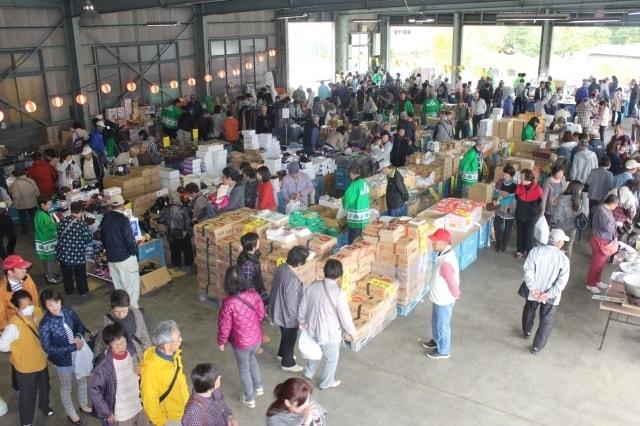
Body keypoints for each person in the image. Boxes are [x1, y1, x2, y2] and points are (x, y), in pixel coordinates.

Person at [298, 259, 356, 390]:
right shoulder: (339, 294)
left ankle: (309, 372)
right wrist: (352, 333)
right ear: (339, 276)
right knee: (331, 359)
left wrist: (301, 322)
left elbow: (302, 307)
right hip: (330, 334)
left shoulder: (313, 286)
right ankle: (326, 382)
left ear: (324, 272)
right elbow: (345, 318)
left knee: (314, 350)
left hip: (312, 328)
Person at [0, 290, 53, 426]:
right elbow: (2, 345)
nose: (29, 308)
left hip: (41, 360)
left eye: (30, 304)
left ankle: (44, 406)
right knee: (27, 396)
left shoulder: (37, 311)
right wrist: (19, 349)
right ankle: (27, 422)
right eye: (24, 307)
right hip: (25, 367)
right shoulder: (13, 325)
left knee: (45, 386)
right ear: (17, 309)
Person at [38, 288, 90, 425]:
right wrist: (72, 347)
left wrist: (78, 336)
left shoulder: (68, 311)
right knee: (66, 388)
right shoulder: (45, 324)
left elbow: (79, 325)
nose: (54, 307)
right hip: (63, 362)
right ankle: (71, 414)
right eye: (50, 304)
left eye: (56, 302)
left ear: (60, 300)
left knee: (82, 380)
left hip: (78, 355)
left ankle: (84, 405)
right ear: (45, 306)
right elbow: (48, 348)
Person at [217, 266, 265, 409]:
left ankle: (249, 398)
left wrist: (221, 342)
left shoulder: (228, 303)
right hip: (256, 338)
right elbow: (261, 314)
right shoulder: (254, 294)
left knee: (244, 368)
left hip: (241, 343)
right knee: (252, 359)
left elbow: (224, 326)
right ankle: (258, 386)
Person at [89, 322, 151, 426]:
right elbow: (93, 390)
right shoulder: (104, 366)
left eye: (122, 342)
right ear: (108, 346)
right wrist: (107, 412)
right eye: (115, 345)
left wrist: (141, 371)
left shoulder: (133, 352)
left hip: (140, 405)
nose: (120, 347)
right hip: (122, 414)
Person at [521, 229, 571, 353]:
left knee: (529, 309)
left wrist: (533, 288)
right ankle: (537, 346)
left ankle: (526, 331)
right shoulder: (563, 259)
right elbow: (561, 282)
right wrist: (549, 293)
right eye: (562, 241)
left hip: (534, 292)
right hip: (550, 296)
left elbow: (528, 271)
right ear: (559, 243)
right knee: (546, 320)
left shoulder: (535, 251)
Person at [140, 320, 189, 425]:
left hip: (183, 411)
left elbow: (181, 380)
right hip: (170, 419)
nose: (181, 339)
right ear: (167, 346)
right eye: (178, 338)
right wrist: (162, 423)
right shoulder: (151, 370)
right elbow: (149, 402)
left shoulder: (175, 355)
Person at [269, 246, 309, 373]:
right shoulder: (292, 279)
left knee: (285, 335)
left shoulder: (281, 268)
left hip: (276, 309)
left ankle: (281, 354)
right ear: (299, 262)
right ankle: (288, 363)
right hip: (286, 315)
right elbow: (292, 303)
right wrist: (298, 319)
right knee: (290, 337)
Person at [422, 229, 460, 359]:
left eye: (435, 241)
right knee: (436, 321)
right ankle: (437, 340)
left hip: (444, 299)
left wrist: (455, 293)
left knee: (442, 324)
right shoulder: (443, 253)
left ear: (443, 243)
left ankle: (443, 350)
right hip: (439, 297)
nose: (432, 243)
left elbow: (451, 281)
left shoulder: (446, 263)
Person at [99, 194, 141, 309]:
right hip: (125, 259)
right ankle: (133, 310)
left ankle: (122, 308)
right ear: (122, 205)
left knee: (119, 286)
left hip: (112, 259)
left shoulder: (105, 218)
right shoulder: (123, 220)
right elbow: (129, 240)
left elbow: (102, 237)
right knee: (131, 286)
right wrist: (134, 252)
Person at [93, 289, 151, 361]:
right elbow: (100, 342)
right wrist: (96, 361)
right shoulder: (107, 320)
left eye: (124, 311)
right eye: (116, 311)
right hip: (118, 359)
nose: (121, 315)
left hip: (137, 355)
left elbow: (144, 336)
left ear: (128, 305)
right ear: (112, 308)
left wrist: (149, 355)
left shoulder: (137, 314)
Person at [56, 201, 92, 295]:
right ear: (81, 211)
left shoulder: (63, 220)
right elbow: (88, 239)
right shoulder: (82, 224)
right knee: (80, 274)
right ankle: (82, 290)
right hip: (77, 254)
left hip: (63, 253)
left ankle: (69, 290)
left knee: (66, 274)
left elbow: (59, 234)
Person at [587, 194, 619, 294]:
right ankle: (590, 284)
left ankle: (597, 281)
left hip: (605, 239)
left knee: (601, 263)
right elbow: (608, 227)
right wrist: (615, 224)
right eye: (616, 205)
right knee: (596, 263)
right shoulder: (602, 210)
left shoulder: (606, 210)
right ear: (612, 203)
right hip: (600, 240)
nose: (616, 207)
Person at [0, 255, 40, 331]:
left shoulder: (27, 278)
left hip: (32, 318)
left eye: (24, 267)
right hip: (15, 324)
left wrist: (35, 312)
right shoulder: (1, 290)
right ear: (10, 272)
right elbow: (1, 316)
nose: (25, 270)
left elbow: (34, 297)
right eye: (20, 268)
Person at [547, 181, 584, 258]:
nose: (581, 191)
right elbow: (580, 213)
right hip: (572, 227)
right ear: (577, 190)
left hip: (559, 228)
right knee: (569, 246)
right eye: (580, 190)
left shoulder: (560, 198)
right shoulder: (578, 200)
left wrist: (551, 226)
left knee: (556, 247)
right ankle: (566, 265)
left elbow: (555, 216)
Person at [157, 192, 193, 270]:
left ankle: (176, 265)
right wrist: (186, 231)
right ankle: (188, 265)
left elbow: (161, 220)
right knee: (187, 250)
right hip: (183, 233)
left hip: (172, 234)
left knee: (175, 251)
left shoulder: (166, 210)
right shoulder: (183, 209)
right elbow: (187, 220)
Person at [515, 169, 543, 258]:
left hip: (531, 216)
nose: (520, 179)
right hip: (520, 213)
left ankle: (529, 251)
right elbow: (516, 198)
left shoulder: (537, 189)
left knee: (529, 234)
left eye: (522, 177)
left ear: (528, 179)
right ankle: (520, 250)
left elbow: (540, 201)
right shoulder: (518, 187)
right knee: (520, 233)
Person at [34, 195, 58, 285]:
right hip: (47, 241)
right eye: (49, 204)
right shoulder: (41, 215)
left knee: (46, 260)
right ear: (42, 205)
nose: (50, 206)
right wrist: (55, 225)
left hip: (43, 241)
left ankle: (48, 274)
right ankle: (50, 278)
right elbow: (46, 229)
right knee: (50, 260)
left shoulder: (40, 212)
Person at [342, 165, 370, 243]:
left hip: (356, 219)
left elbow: (347, 200)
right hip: (365, 218)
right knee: (362, 241)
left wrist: (344, 204)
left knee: (354, 243)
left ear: (351, 173)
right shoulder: (364, 183)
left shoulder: (354, 185)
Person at [493, 165, 517, 252]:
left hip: (510, 208)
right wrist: (496, 197)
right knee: (496, 225)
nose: (504, 177)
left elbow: (510, 198)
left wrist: (500, 202)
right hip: (499, 207)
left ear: (511, 176)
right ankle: (498, 243)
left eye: (506, 176)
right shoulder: (499, 182)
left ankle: (503, 246)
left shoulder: (514, 185)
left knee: (507, 228)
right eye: (504, 175)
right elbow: (495, 192)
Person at [10, 165, 39, 234]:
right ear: (25, 172)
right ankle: (37, 228)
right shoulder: (31, 180)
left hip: (21, 205)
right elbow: (37, 192)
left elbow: (16, 197)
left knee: (23, 218)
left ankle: (25, 230)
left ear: (16, 174)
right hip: (33, 203)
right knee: (33, 217)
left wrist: (16, 205)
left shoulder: (15, 184)